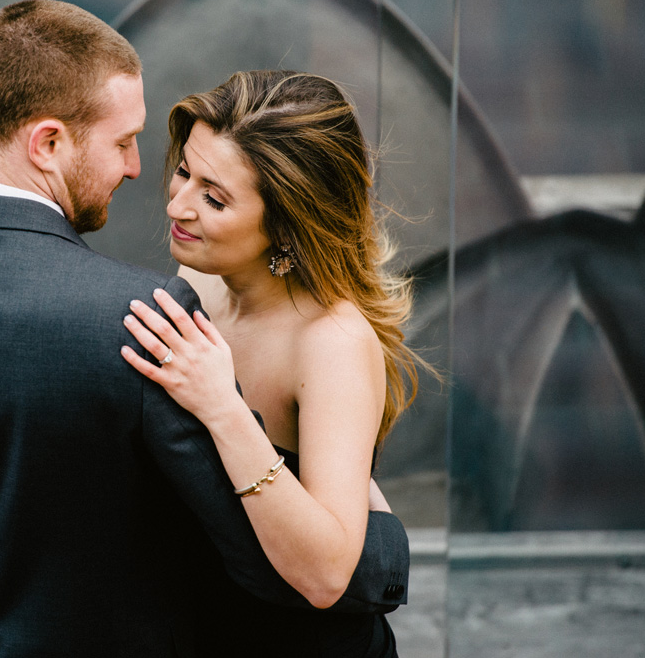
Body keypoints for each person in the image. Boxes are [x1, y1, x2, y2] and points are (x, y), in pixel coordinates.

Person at [0, 3, 409, 657]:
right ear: (48, 143)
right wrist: (387, 546)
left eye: (213, 195)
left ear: (287, 221)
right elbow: (242, 550)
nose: (160, 188)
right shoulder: (149, 311)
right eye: (130, 146)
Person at [122, 70, 423, 656]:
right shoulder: (197, 284)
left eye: (214, 197)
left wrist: (223, 409)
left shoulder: (330, 340)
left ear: (286, 223)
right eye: (185, 171)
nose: (177, 204)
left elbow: (327, 575)